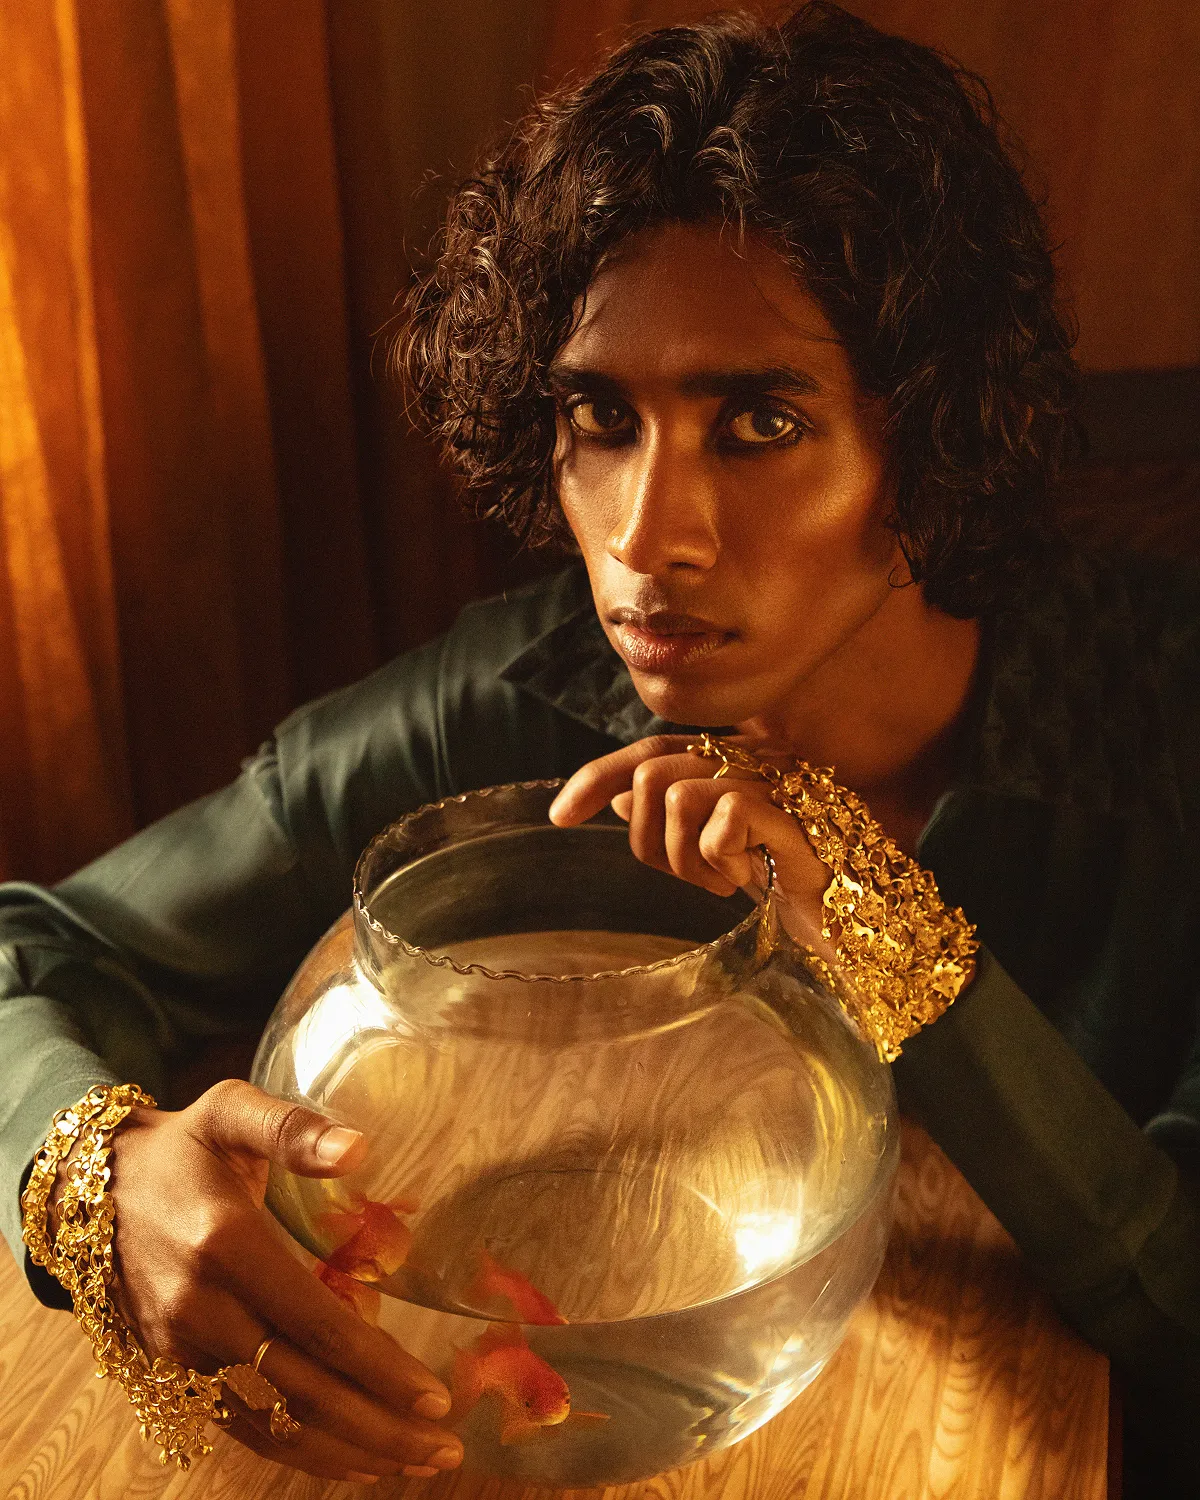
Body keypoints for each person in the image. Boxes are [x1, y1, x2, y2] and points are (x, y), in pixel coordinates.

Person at [2, 3, 1197, 1492]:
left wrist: (888, 936)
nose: (645, 536)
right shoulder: (526, 693)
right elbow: (36, 945)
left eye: (757, 421)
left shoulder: (1164, 723)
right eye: (600, 418)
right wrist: (92, 1172)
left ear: (928, 435)